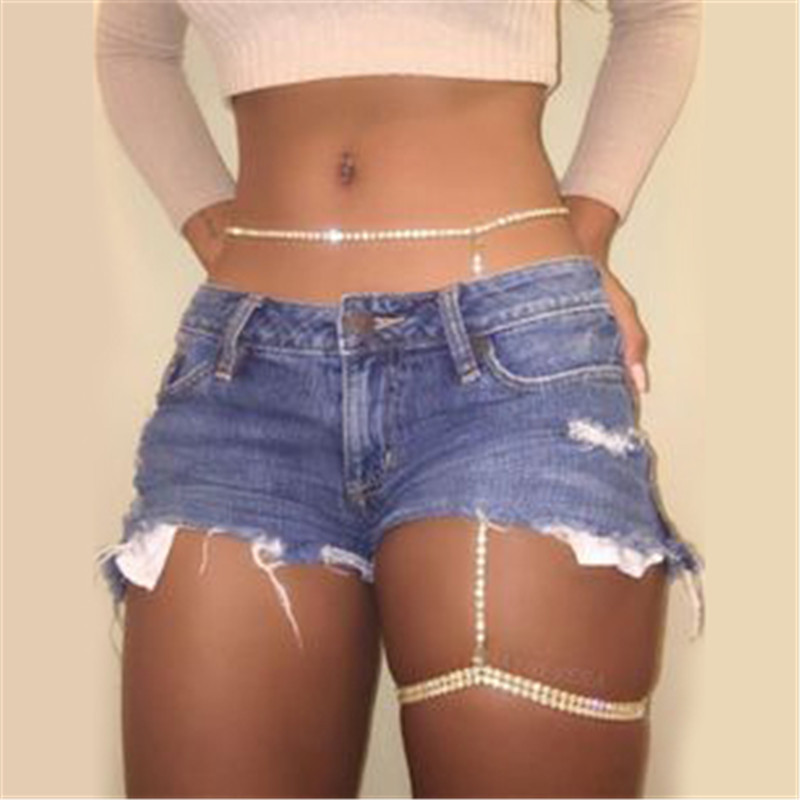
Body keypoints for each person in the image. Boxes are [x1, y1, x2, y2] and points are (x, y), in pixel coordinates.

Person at [92, 0, 707, 796]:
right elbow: (133, 46)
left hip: (509, 371)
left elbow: (661, 15)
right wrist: (212, 228)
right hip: (244, 384)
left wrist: (586, 233)